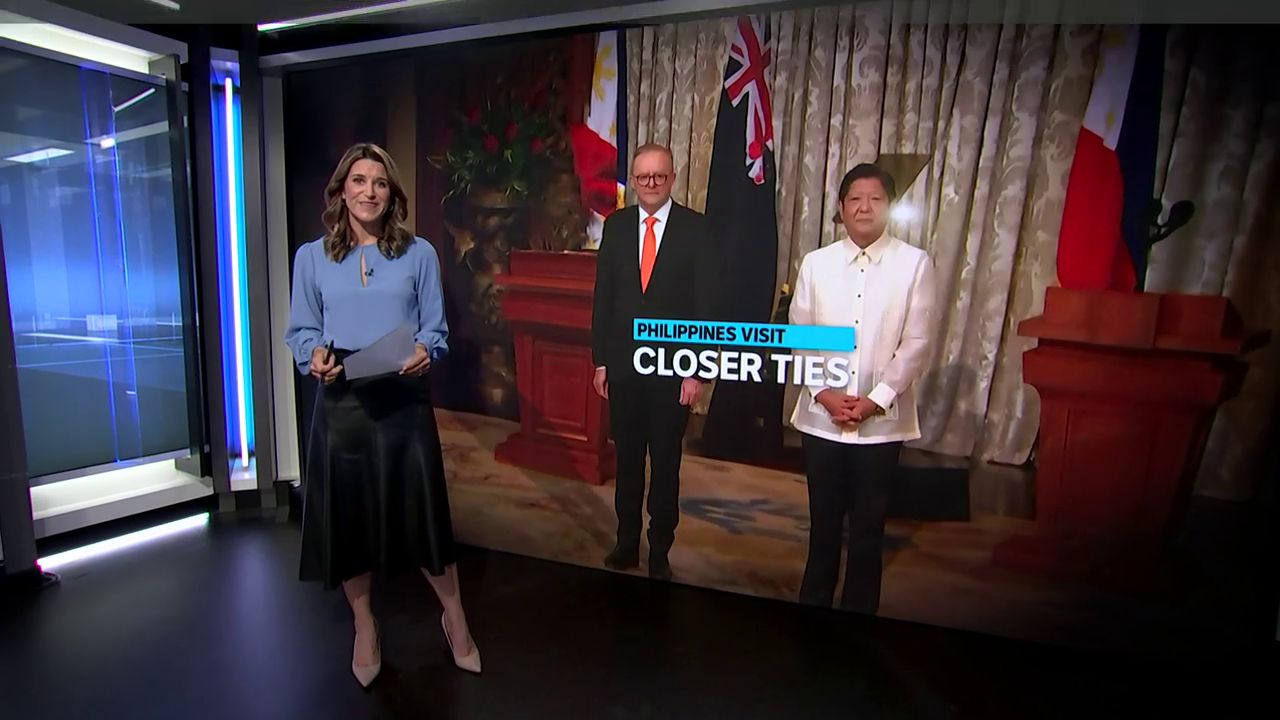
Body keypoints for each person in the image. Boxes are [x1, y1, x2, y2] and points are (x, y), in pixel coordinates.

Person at [284, 142, 481, 687]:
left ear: (391, 193)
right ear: (341, 190)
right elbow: (302, 330)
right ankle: (365, 625)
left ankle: (455, 618)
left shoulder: (419, 254)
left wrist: (425, 350)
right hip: (342, 398)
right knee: (351, 520)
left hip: (402, 395)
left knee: (422, 516)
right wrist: (313, 356)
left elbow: (435, 329)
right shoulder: (311, 257)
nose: (368, 191)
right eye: (359, 181)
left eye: (379, 183)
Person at [788, 163, 936, 614]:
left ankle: (859, 614)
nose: (864, 207)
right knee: (823, 523)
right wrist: (823, 393)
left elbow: (917, 342)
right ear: (841, 207)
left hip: (881, 423)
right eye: (855, 198)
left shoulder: (914, 264)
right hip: (822, 418)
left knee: (869, 527)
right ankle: (814, 605)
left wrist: (876, 399)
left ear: (889, 206)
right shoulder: (817, 263)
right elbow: (801, 334)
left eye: (875, 199)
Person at [590, 143, 717, 582]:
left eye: (658, 176)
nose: (650, 184)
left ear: (672, 179)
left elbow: (706, 306)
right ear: (633, 179)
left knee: (665, 463)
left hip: (672, 371)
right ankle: (626, 543)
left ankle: (660, 548)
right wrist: (602, 361)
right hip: (624, 368)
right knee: (627, 460)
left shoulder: (696, 229)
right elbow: (604, 297)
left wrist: (697, 368)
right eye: (642, 177)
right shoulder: (616, 226)